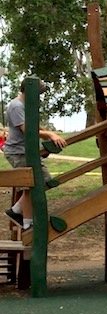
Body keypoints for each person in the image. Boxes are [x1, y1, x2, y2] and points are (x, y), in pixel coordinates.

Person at [3, 79, 66, 230]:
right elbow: (28, 131)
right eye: (38, 93)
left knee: (39, 184)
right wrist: (49, 135)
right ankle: (27, 224)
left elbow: (34, 126)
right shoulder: (16, 106)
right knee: (36, 184)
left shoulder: (26, 105)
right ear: (28, 91)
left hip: (27, 151)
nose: (39, 97)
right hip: (18, 152)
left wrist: (47, 138)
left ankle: (17, 211)